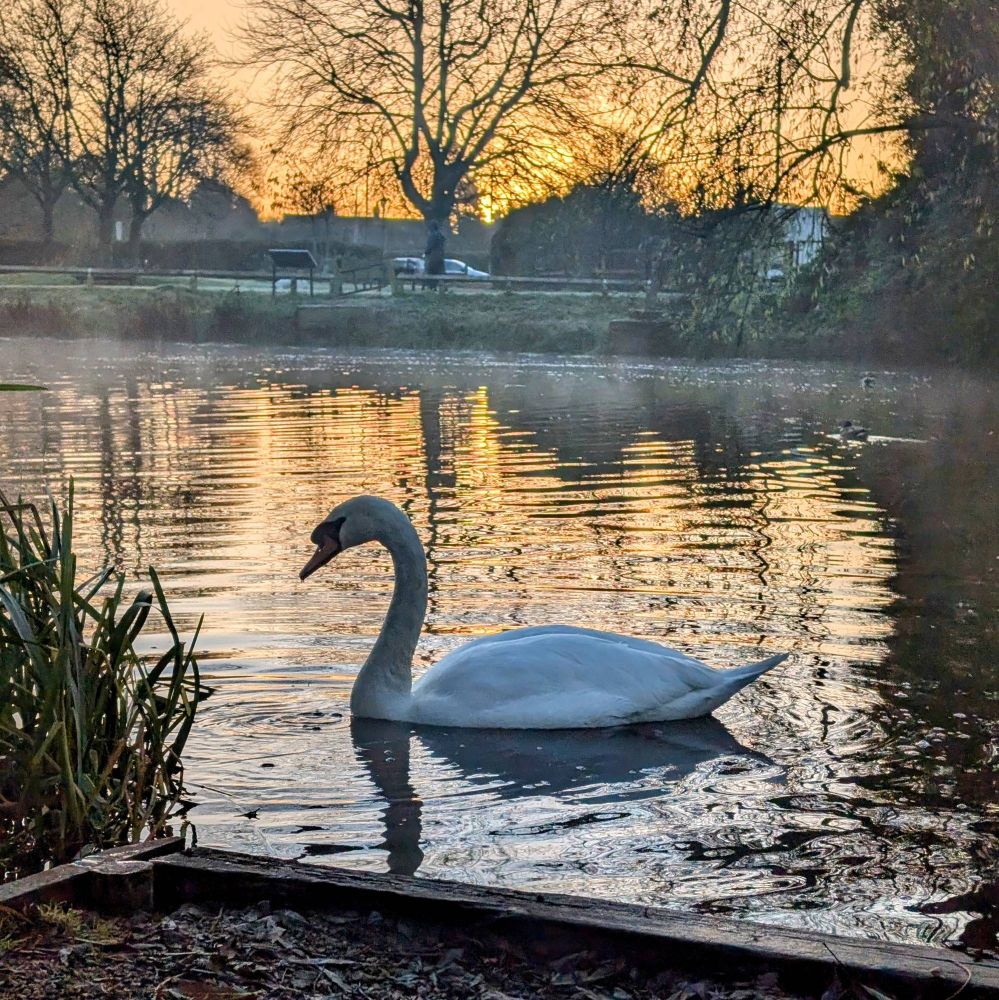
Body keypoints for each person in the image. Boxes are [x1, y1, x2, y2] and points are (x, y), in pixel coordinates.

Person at [424, 219, 446, 291]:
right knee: (440, 272)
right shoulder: (441, 235)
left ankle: (432, 288)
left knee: (431, 272)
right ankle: (443, 287)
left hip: (433, 256)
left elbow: (430, 246)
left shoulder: (433, 235)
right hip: (441, 256)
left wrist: (426, 252)